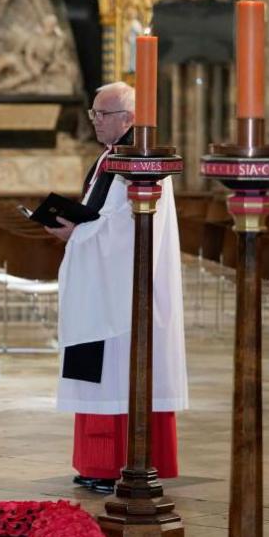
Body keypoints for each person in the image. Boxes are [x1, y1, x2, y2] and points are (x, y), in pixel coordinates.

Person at [44, 82, 187, 494]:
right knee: (95, 373)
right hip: (100, 287)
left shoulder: (141, 161)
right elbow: (102, 215)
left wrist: (78, 233)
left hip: (122, 296)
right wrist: (75, 227)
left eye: (101, 114)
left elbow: (131, 230)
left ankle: (124, 464)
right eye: (93, 114)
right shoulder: (111, 157)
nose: (95, 121)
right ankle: (96, 464)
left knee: (116, 373)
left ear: (128, 119)